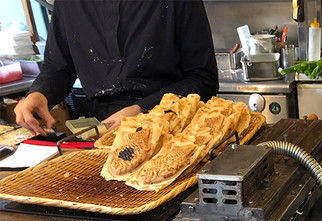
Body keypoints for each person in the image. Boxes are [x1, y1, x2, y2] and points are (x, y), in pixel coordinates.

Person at [15, 0, 219, 136]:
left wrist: (142, 110)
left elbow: (203, 79)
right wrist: (40, 94)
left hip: (174, 127)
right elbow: (58, 66)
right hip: (105, 128)